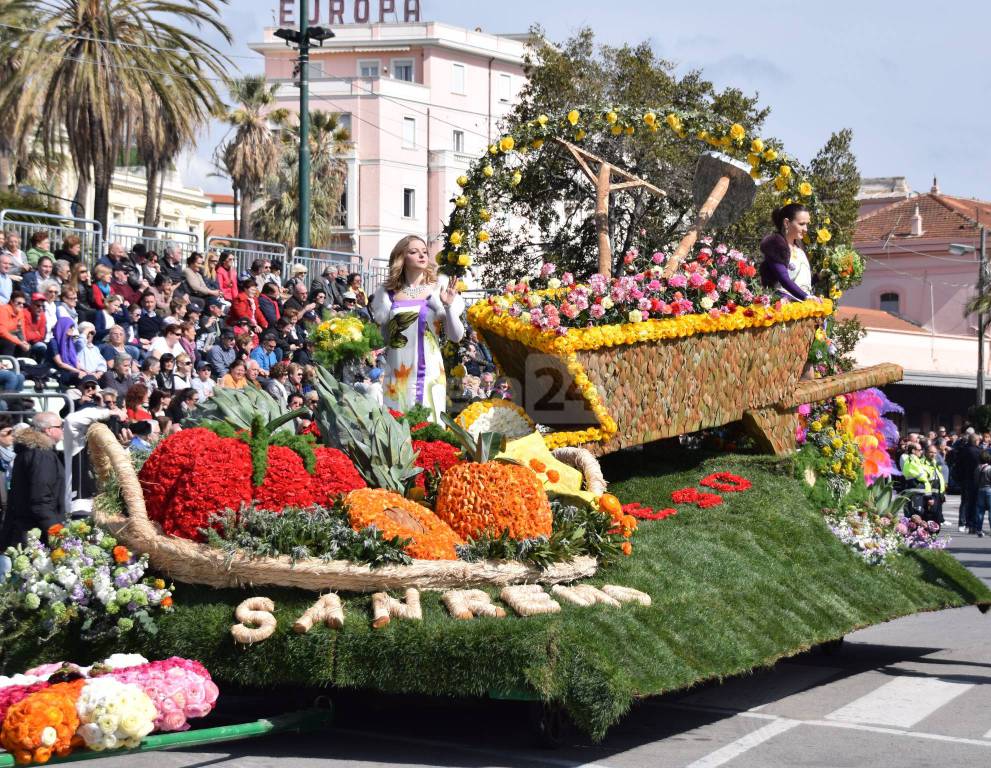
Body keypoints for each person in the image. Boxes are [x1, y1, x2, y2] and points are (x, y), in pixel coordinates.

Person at [370, 235, 465, 421]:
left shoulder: (439, 290)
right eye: (414, 252)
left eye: (424, 252)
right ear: (401, 257)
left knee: (429, 430)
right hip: (397, 374)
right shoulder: (387, 295)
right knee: (397, 430)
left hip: (430, 374)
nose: (421, 255)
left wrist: (447, 306)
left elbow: (456, 336)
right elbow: (382, 338)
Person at [0, 412, 65, 550]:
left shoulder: (28, 452)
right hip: (35, 535)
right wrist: (56, 531)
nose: (63, 429)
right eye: (60, 426)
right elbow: (41, 500)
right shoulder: (42, 455)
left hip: (23, 531)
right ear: (49, 430)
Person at [759, 203, 824, 303]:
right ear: (786, 223)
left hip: (802, 306)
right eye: (801, 224)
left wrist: (819, 276)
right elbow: (784, 279)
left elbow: (801, 283)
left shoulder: (799, 247)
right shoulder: (775, 246)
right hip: (784, 308)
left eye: (807, 224)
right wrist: (807, 297)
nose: (806, 229)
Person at [956, 432, 982, 533]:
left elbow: (957, 465)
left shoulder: (963, 450)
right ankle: (971, 524)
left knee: (964, 502)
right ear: (976, 441)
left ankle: (961, 523)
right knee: (974, 502)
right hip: (975, 480)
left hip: (964, 479)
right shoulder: (979, 452)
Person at [975, 452, 991, 538]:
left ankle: (979, 530)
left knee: (980, 511)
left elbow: (975, 480)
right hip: (989, 490)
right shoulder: (989, 468)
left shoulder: (977, 468)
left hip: (980, 490)